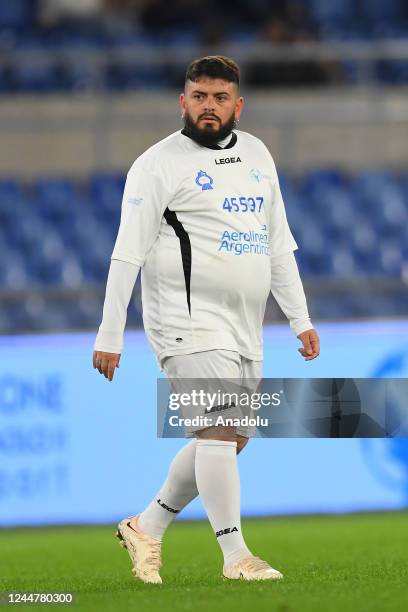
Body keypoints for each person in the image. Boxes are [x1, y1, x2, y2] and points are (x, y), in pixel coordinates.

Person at [93, 55, 320, 584]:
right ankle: (236, 556)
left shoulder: (259, 155)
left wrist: (300, 318)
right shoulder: (157, 165)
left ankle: (145, 526)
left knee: (229, 438)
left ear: (238, 105)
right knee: (218, 428)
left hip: (246, 324)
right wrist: (110, 334)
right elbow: (126, 253)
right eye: (199, 97)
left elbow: (277, 245)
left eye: (220, 98)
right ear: (183, 101)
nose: (209, 107)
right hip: (184, 321)